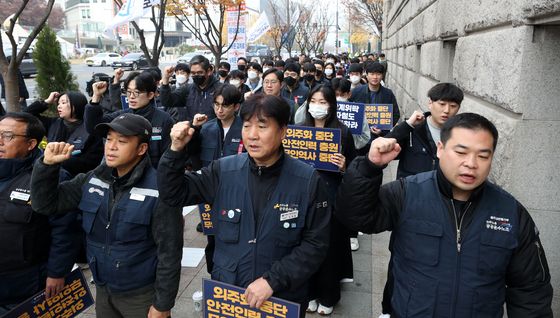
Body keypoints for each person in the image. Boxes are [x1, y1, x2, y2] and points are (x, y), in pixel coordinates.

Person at [336, 113, 553, 317]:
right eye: (461, 152)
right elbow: (354, 217)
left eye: (483, 155)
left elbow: (531, 291)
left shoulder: (511, 213)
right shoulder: (407, 192)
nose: (471, 163)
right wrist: (368, 168)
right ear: (440, 149)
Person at [157, 94, 331, 317]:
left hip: (282, 298)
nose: (252, 135)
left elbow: (316, 244)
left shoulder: (307, 180)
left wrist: (272, 281)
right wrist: (175, 150)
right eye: (247, 126)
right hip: (230, 295)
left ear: (283, 131)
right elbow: (172, 194)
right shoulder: (222, 170)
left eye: (262, 126)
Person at [31, 113, 183, 318]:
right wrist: (47, 167)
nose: (111, 146)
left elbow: (170, 253)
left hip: (141, 295)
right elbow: (45, 204)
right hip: (103, 289)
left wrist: (163, 305)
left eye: (121, 141)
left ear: (142, 149)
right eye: (109, 139)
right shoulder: (92, 180)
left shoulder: (159, 189)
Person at [0, 113, 79, 314]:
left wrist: (57, 272)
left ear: (31, 144)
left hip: (25, 282)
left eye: (7, 136)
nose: (0, 141)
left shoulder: (50, 177)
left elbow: (65, 231)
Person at [298, 85, 356, 316]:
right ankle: (309, 293)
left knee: (329, 249)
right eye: (313, 101)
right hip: (303, 198)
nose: (317, 106)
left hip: (332, 199)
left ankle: (329, 295)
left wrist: (344, 167)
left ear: (331, 105)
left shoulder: (342, 132)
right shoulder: (299, 131)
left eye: (323, 102)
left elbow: (355, 170)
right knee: (304, 248)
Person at [86, 71, 173, 168]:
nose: (131, 97)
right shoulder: (121, 116)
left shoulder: (164, 119)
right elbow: (93, 127)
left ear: (150, 95)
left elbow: (168, 156)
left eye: (137, 92)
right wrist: (96, 98)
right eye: (128, 92)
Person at [388, 83, 464, 179]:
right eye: (442, 104)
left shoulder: (461, 134)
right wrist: (407, 125)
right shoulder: (413, 128)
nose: (447, 110)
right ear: (430, 103)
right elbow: (385, 147)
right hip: (411, 189)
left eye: (453, 106)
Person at [25, 91, 103, 176]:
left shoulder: (90, 128)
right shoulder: (52, 123)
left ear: (76, 104)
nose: (59, 106)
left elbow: (93, 161)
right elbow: (26, 116)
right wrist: (46, 102)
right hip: (48, 173)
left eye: (63, 103)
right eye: (58, 103)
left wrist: (62, 160)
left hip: (75, 179)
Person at [349, 62, 400, 154]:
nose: (375, 77)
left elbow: (396, 114)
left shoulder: (388, 94)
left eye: (378, 74)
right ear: (367, 75)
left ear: (382, 76)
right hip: (360, 138)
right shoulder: (356, 91)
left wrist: (383, 129)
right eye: (372, 74)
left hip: (378, 139)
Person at [160, 55, 223, 123]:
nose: (196, 75)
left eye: (199, 72)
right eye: (193, 73)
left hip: (215, 131)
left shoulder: (221, 89)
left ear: (209, 71)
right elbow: (166, 101)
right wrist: (166, 78)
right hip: (192, 130)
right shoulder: (188, 89)